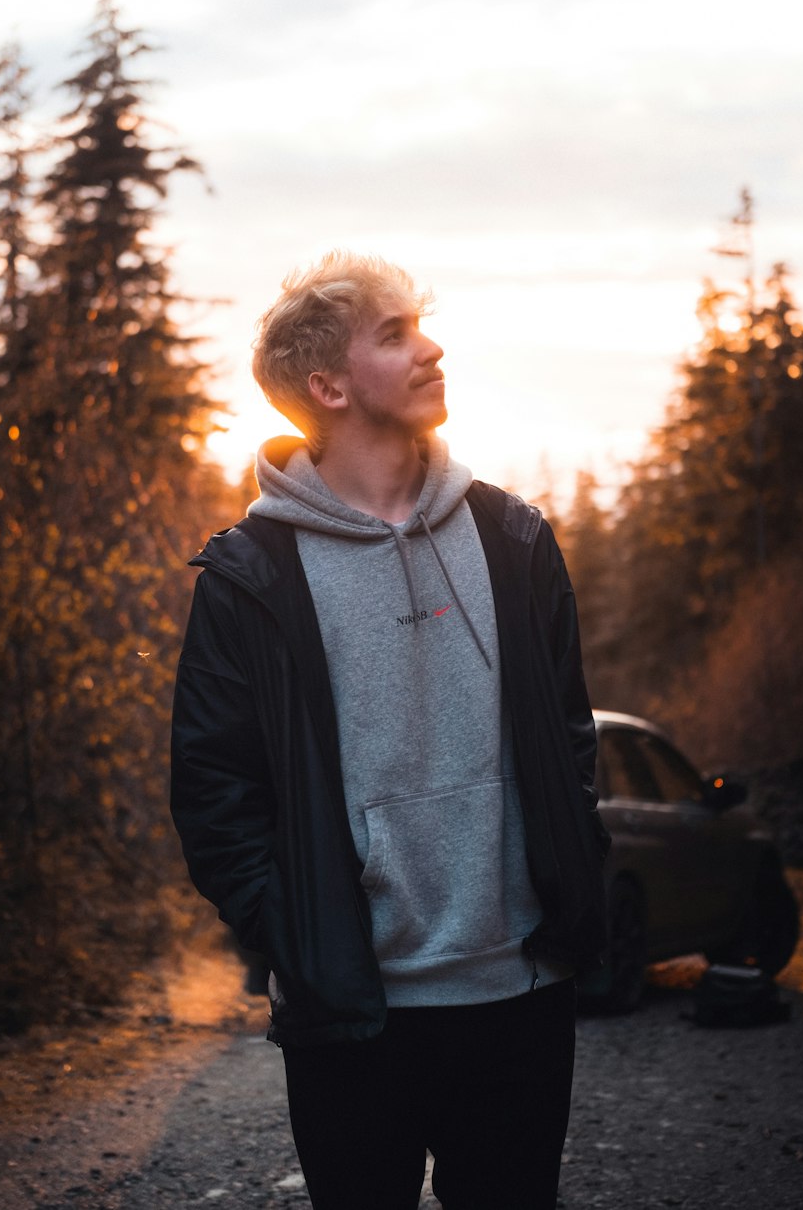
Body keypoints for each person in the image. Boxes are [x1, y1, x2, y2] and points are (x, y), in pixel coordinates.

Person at [170, 252, 610, 1210]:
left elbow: (571, 741)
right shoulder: (251, 579)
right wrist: (298, 939)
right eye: (396, 333)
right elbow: (214, 794)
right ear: (326, 386)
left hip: (520, 994)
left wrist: (571, 890)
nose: (432, 347)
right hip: (351, 1014)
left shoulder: (515, 539)